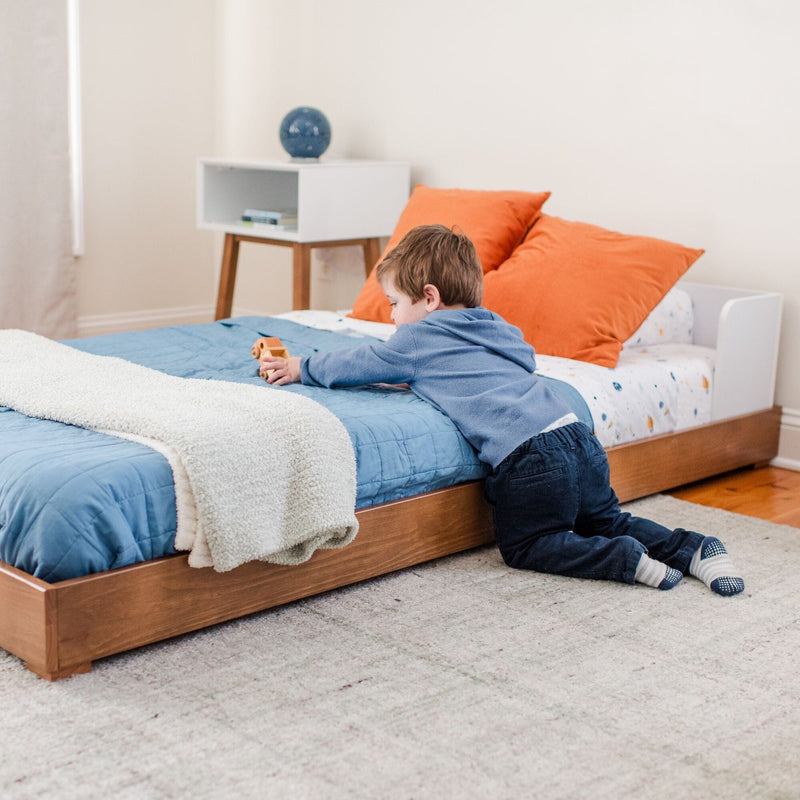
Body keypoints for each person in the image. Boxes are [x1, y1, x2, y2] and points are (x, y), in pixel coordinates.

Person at [261, 224, 745, 596]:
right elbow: (520, 361)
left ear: (428, 298)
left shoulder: (417, 337)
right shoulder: (497, 329)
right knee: (606, 519)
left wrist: (303, 367)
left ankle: (625, 562)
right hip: (578, 436)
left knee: (528, 545)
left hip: (530, 460)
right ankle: (696, 549)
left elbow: (365, 361)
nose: (391, 316)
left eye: (394, 303)